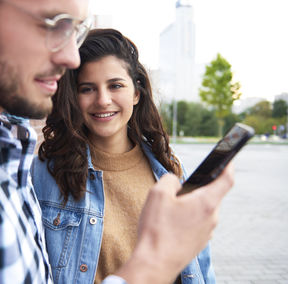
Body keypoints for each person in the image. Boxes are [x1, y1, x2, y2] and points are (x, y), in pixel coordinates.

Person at [0, 0, 233, 283]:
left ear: (138, 93)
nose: (70, 57)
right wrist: (152, 265)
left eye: (75, 30)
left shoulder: (6, 146)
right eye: (52, 24)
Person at [31, 28, 215, 284]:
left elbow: (200, 263)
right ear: (73, 97)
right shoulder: (44, 172)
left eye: (115, 85)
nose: (103, 100)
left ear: (136, 93)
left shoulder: (169, 169)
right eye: (87, 89)